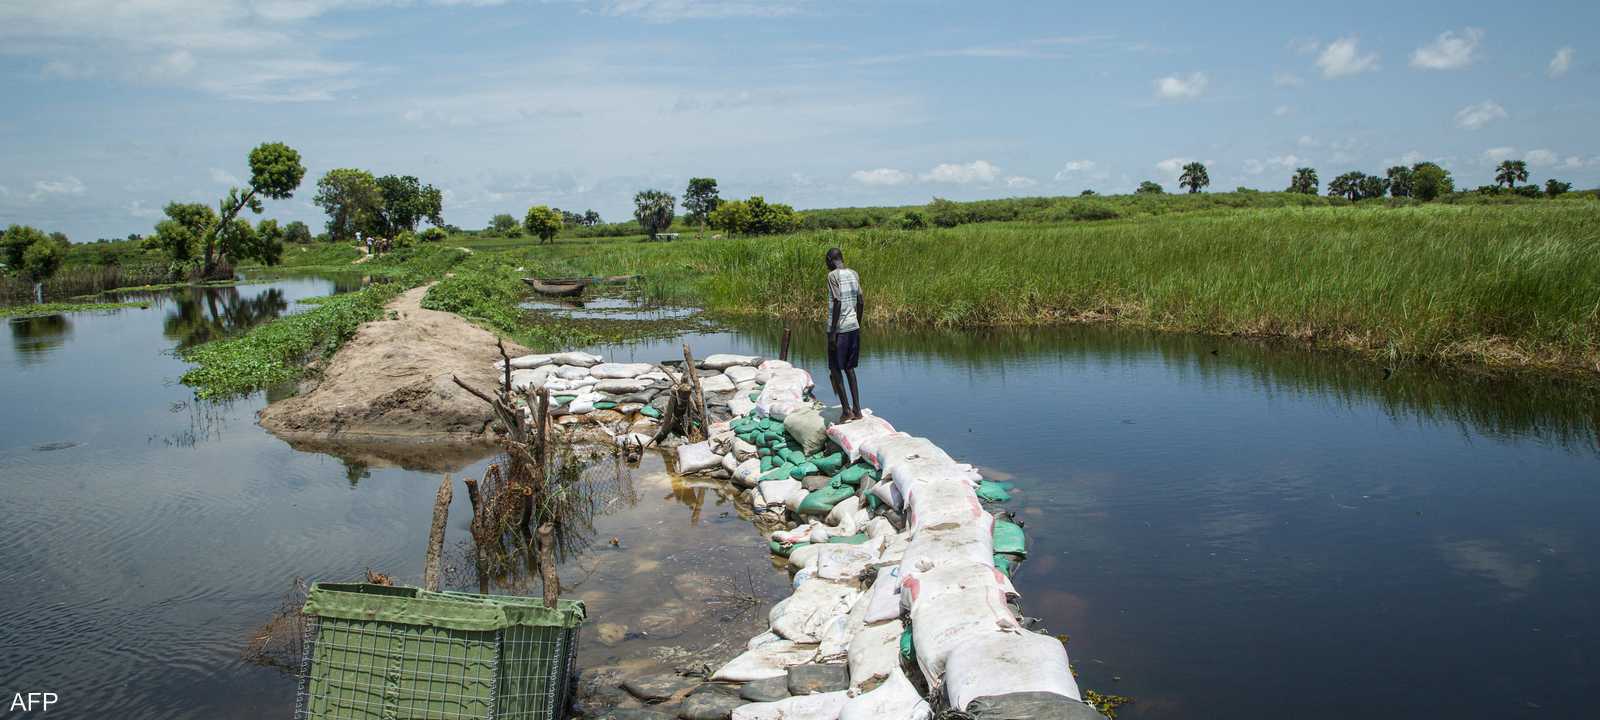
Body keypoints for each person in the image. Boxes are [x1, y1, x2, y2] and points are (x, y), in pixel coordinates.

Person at [825, 247, 864, 420]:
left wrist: (833, 331)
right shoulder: (854, 274)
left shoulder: (833, 276)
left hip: (840, 330)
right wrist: (858, 323)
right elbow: (861, 300)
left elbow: (837, 300)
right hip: (853, 327)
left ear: (829, 260)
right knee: (849, 368)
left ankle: (846, 410)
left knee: (834, 368)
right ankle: (857, 410)